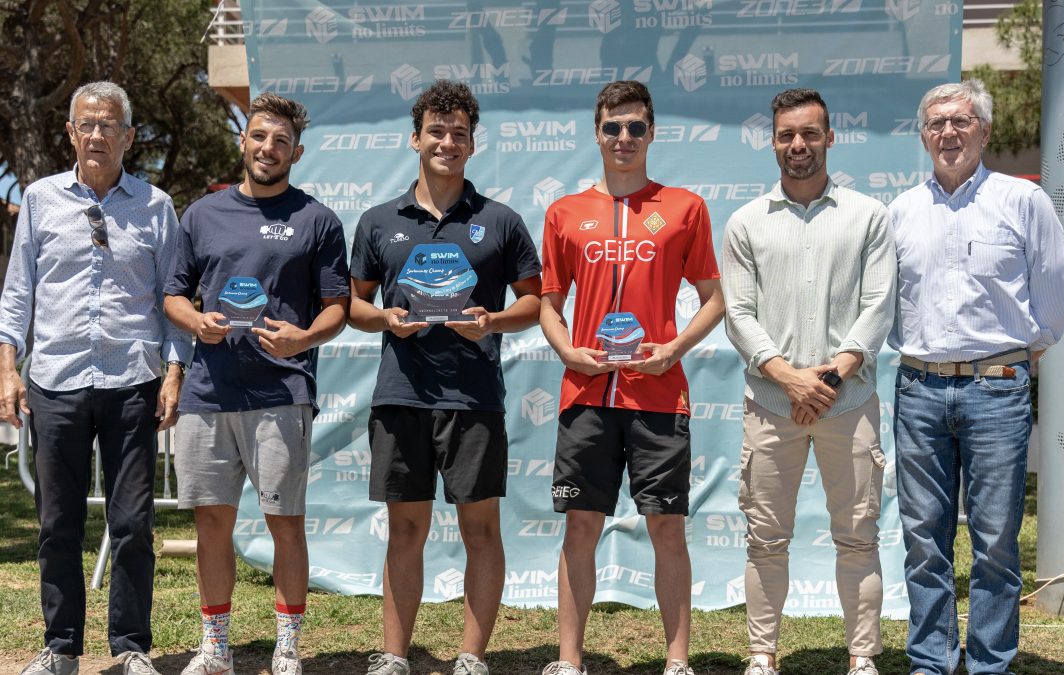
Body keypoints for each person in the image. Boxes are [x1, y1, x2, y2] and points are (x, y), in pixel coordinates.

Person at [348, 80, 541, 675]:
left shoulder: (500, 221)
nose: (447, 142)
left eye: (459, 133)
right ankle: (394, 655)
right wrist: (385, 318)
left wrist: (492, 321)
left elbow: (534, 304)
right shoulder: (380, 220)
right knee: (405, 530)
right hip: (400, 394)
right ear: (416, 139)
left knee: (481, 530)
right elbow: (352, 306)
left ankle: (471, 656)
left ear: (472, 145)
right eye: (437, 131)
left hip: (473, 396)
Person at [0, 81, 190, 675]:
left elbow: (174, 297)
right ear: (70, 133)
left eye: (110, 124)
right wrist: (8, 366)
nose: (98, 134)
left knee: (132, 523)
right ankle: (60, 649)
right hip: (55, 380)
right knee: (58, 523)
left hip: (133, 381)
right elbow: (18, 292)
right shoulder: (37, 199)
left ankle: (131, 647)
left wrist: (174, 370)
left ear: (129, 136)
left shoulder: (157, 206)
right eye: (87, 124)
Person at [538, 80, 725, 675]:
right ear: (596, 133)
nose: (624, 138)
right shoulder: (564, 213)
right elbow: (548, 301)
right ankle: (569, 661)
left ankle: (677, 661)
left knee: (666, 527)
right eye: (613, 127)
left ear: (651, 133)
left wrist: (672, 348)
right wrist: (568, 350)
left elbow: (714, 300)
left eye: (636, 127)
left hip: (658, 394)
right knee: (581, 528)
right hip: (587, 392)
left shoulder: (684, 207)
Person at [889, 79, 1064, 675]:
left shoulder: (1022, 201)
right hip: (917, 388)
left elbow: (1054, 296)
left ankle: (990, 662)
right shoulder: (901, 211)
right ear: (923, 134)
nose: (948, 133)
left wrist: (1018, 356)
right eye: (936, 123)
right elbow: (888, 305)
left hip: (997, 389)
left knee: (995, 540)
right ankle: (930, 662)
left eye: (961, 122)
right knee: (924, 539)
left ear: (984, 132)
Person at [163, 92, 350, 675]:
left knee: (284, 523)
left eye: (281, 141)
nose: (268, 148)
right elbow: (173, 294)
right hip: (207, 394)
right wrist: (195, 322)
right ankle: (215, 645)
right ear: (243, 141)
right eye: (259, 136)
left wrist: (302, 340)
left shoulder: (316, 218)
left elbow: (338, 307)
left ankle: (287, 643)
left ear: (297, 151)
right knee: (212, 522)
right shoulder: (200, 214)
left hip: (281, 394)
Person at [721, 88, 896, 675]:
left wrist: (822, 381)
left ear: (829, 137)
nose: (799, 145)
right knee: (765, 539)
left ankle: (863, 657)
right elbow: (738, 315)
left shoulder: (869, 216)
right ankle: (761, 655)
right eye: (787, 135)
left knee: (858, 537)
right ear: (772, 141)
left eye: (810, 133)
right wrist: (790, 379)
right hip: (773, 401)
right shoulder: (745, 222)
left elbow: (877, 306)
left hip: (850, 401)